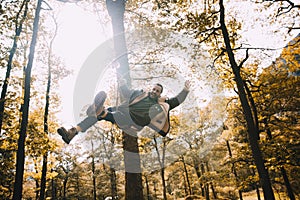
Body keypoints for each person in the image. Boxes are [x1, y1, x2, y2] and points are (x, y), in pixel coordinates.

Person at [57, 79, 191, 144]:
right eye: (154, 89)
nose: (155, 92)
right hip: (123, 111)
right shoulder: (140, 93)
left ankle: (102, 113)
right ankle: (73, 132)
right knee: (98, 115)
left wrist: (185, 90)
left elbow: (177, 100)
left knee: (109, 114)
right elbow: (127, 92)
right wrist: (122, 83)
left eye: (158, 91)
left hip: (135, 121)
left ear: (160, 94)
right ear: (151, 89)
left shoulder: (162, 104)